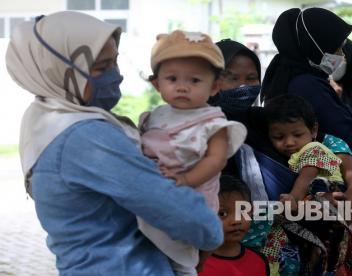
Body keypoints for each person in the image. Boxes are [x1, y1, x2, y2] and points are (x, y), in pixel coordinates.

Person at [5, 11, 223, 275]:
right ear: (60, 69)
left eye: (114, 62)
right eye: (100, 68)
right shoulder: (85, 136)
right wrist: (211, 233)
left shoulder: (45, 117)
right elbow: (167, 204)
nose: (115, 76)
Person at [137, 30, 247, 275]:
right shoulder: (152, 118)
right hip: (156, 197)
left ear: (215, 86)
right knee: (153, 252)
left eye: (195, 81)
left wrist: (186, 180)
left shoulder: (212, 121)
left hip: (192, 199)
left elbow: (216, 159)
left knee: (186, 260)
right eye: (172, 79)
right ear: (157, 84)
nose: (183, 87)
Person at [260, 7, 352, 167]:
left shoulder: (290, 74)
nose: (342, 55)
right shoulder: (308, 85)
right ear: (316, 47)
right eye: (338, 48)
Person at [264, 94, 352, 210]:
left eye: (297, 135)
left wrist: (346, 208)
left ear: (313, 130)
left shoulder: (328, 146)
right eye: (278, 137)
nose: (289, 143)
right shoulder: (272, 153)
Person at [199, 175, 270, 276]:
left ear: (251, 212)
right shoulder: (192, 263)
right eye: (222, 213)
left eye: (242, 211)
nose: (236, 220)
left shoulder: (259, 262)